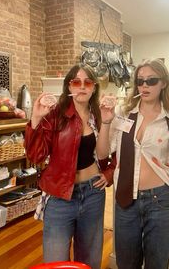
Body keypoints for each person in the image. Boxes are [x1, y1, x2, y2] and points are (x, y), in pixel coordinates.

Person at [97, 59, 169, 269]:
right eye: (140, 81)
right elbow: (102, 153)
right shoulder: (123, 115)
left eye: (151, 81)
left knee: (157, 264)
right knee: (127, 264)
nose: (144, 86)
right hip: (127, 200)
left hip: (161, 201)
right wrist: (106, 121)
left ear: (163, 83)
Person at [24, 63, 111, 269]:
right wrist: (36, 117)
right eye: (76, 82)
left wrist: (108, 173)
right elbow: (36, 155)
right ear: (69, 87)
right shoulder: (55, 114)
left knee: (89, 260)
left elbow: (109, 153)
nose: (82, 87)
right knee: (56, 262)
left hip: (93, 194)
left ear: (94, 87)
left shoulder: (99, 114)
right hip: (60, 196)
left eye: (87, 82)